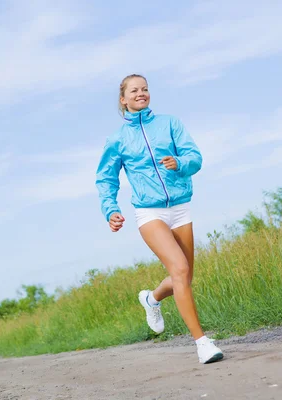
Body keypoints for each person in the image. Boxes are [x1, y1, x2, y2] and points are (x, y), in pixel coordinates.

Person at [95, 74, 224, 364]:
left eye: (145, 89)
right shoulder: (117, 139)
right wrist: (111, 209)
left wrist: (180, 163)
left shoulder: (170, 124)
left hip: (180, 207)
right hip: (149, 211)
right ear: (123, 99)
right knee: (179, 268)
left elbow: (195, 157)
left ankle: (151, 299)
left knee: (185, 276)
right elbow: (106, 178)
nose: (141, 93)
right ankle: (202, 343)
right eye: (134, 90)